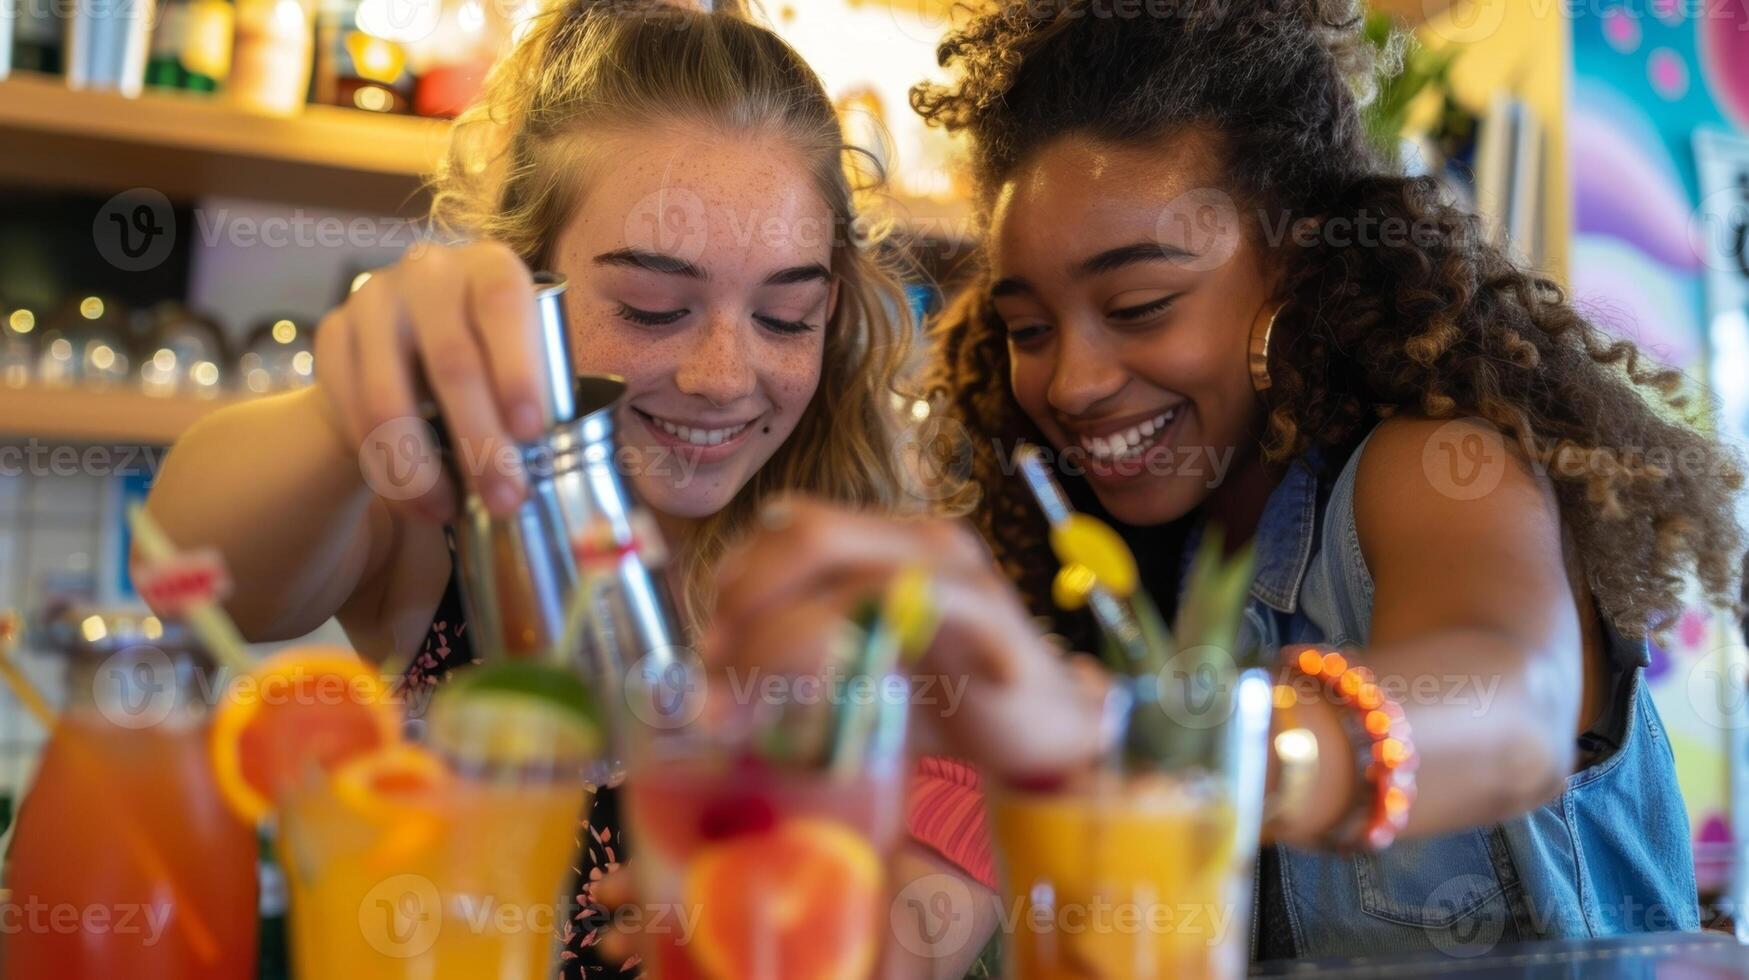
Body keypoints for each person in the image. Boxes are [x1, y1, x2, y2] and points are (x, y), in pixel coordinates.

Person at [710, 0, 1747, 968]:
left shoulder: (1430, 468)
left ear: (1295, 271)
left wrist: (1156, 741)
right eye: (1027, 328)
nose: (1070, 380)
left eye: (1143, 303)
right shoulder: (1135, 571)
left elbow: (1513, 702)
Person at [143, 0, 926, 974]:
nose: (725, 374)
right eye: (654, 307)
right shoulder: (453, 524)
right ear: (521, 284)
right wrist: (339, 416)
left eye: (786, 315)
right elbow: (193, 564)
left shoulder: (869, 573)